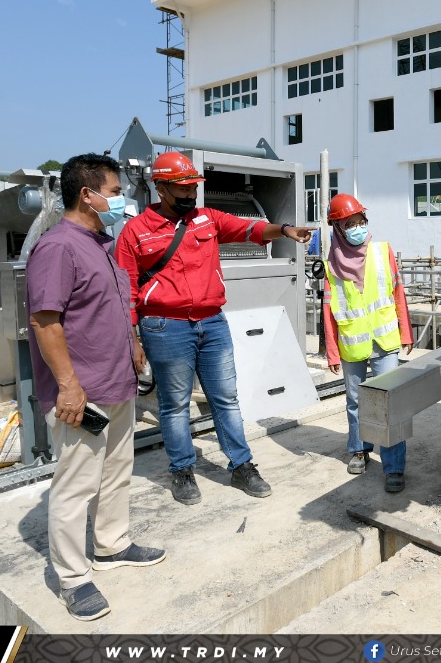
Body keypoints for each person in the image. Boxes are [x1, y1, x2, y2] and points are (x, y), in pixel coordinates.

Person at [114, 151, 311, 505]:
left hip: (212, 323)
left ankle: (241, 466)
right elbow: (125, 290)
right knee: (175, 405)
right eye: (183, 189)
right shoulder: (135, 232)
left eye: (193, 188)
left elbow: (249, 229)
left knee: (226, 399)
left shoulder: (207, 219)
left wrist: (283, 229)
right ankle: (182, 470)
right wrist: (132, 339)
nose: (191, 196)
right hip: (165, 327)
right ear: (160, 188)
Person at [26, 153, 166, 622]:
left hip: (117, 381)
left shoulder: (102, 243)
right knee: (76, 484)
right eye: (113, 190)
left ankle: (112, 543)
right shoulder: (58, 247)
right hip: (81, 391)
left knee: (116, 470)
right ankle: (72, 578)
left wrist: (133, 344)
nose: (120, 198)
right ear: (87, 194)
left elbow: (109, 306)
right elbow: (45, 322)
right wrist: (67, 385)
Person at [321, 194, 413, 492]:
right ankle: (359, 450)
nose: (358, 228)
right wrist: (332, 351)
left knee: (390, 403)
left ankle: (394, 466)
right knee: (356, 402)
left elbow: (398, 292)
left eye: (361, 221)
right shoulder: (330, 265)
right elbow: (328, 311)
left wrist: (406, 331)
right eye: (351, 223)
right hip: (351, 344)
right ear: (337, 228)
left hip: (384, 340)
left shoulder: (381, 252)